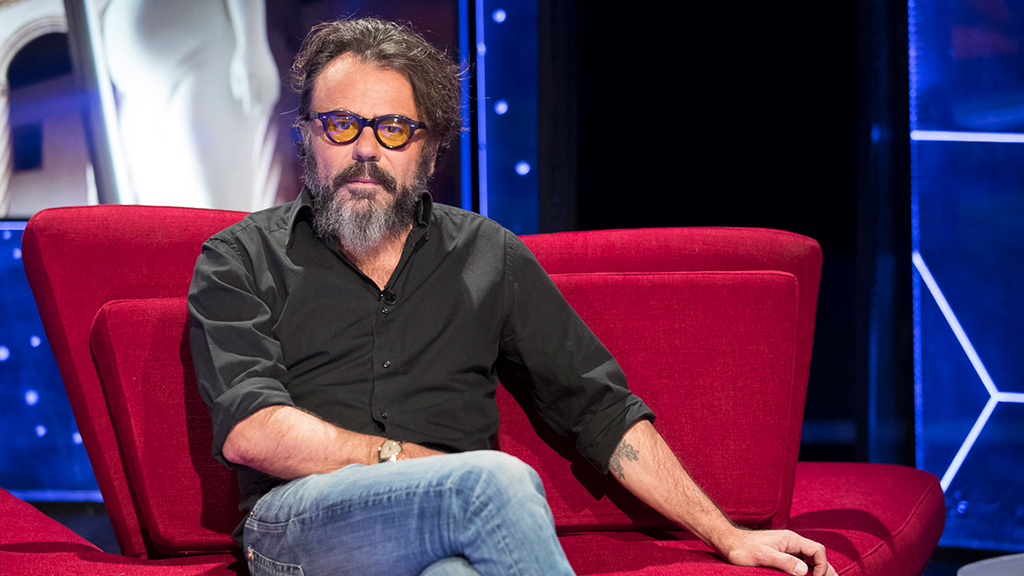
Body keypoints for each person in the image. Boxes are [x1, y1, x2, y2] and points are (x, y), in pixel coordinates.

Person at [187, 17, 837, 576]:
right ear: (306, 135)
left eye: (393, 129)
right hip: (296, 525)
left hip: (452, 522)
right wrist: (401, 461)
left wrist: (727, 534)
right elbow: (251, 429)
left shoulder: (486, 254)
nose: (364, 150)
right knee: (490, 480)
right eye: (339, 124)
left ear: (429, 150)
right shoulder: (240, 257)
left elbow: (599, 411)